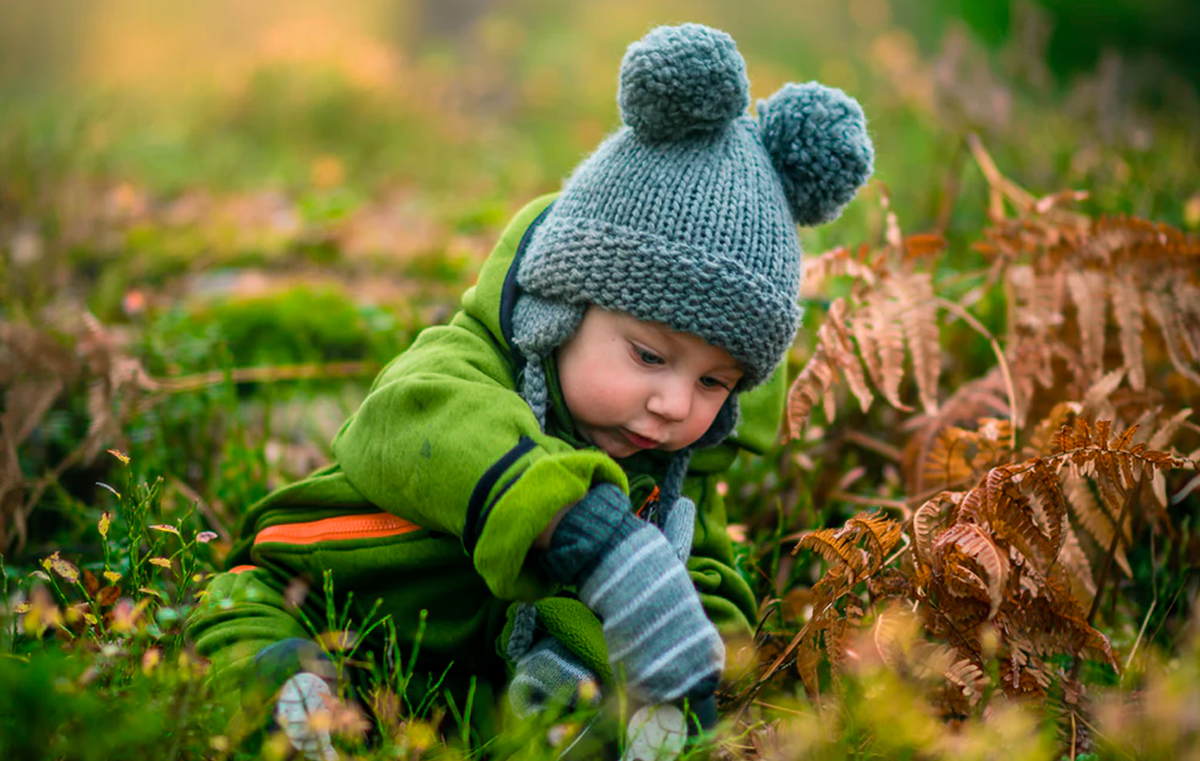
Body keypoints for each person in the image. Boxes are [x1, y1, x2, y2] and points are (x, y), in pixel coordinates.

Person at [186, 21, 873, 760]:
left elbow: (703, 570)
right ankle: (294, 702)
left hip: (466, 682)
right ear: (561, 310)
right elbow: (414, 420)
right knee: (245, 624)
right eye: (648, 356)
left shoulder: (672, 468)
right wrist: (590, 535)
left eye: (714, 381)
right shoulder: (463, 368)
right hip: (318, 594)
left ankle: (560, 707)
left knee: (594, 705)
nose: (675, 404)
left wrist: (682, 658)